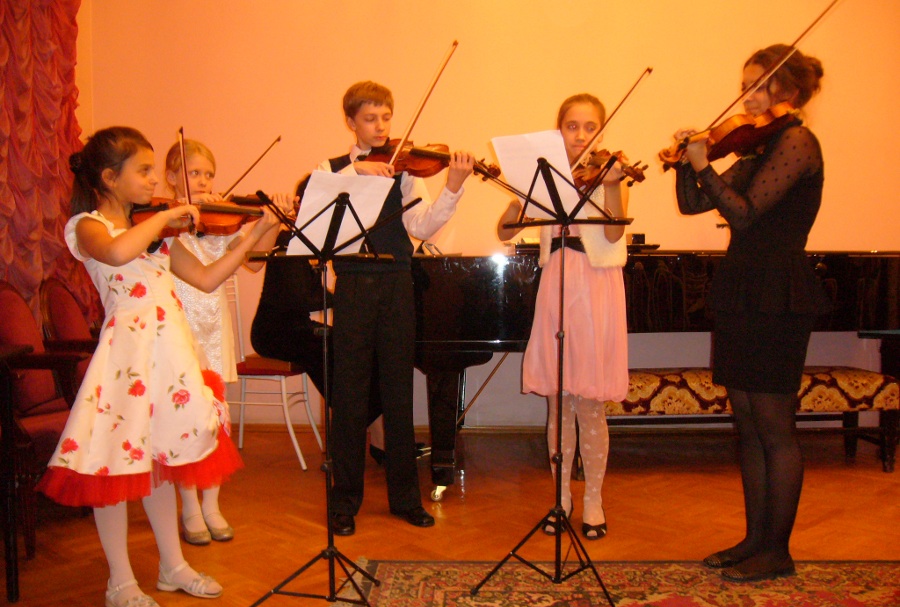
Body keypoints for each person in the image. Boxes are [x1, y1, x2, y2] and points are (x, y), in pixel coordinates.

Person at [37, 126, 280, 607]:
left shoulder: (157, 236)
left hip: (169, 360)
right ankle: (120, 582)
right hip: (126, 361)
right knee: (113, 467)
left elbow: (208, 279)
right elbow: (116, 253)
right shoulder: (88, 227)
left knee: (163, 462)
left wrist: (255, 233)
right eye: (144, 170)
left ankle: (173, 566)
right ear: (109, 178)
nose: (154, 180)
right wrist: (167, 218)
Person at [671, 45, 830, 582]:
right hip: (743, 288)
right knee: (747, 422)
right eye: (745, 87)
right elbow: (694, 204)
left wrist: (703, 164)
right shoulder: (758, 147)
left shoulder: (798, 142)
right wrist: (685, 164)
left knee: (775, 426)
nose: (747, 97)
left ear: (788, 91)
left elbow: (744, 214)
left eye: (758, 86)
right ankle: (754, 540)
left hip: (778, 292)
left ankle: (777, 551)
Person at [322, 80, 475, 536]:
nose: (381, 127)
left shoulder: (405, 171)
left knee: (398, 393)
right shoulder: (332, 170)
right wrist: (355, 174)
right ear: (351, 122)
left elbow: (423, 227)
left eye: (386, 118)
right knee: (349, 397)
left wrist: (452, 186)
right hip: (352, 286)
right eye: (370, 119)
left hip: (396, 285)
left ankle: (405, 499)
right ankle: (344, 502)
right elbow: (320, 214)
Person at [498, 93, 629, 541]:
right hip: (556, 285)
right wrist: (519, 193)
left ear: (601, 131)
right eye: (572, 126)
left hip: (595, 286)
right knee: (558, 401)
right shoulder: (547, 177)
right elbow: (505, 229)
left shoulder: (609, 173)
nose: (581, 135)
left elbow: (614, 232)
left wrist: (613, 185)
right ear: (559, 131)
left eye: (590, 127)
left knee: (589, 403)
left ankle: (593, 499)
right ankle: (561, 498)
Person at [164, 139, 285, 546]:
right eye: (194, 173)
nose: (203, 181)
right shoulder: (164, 225)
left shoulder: (221, 222)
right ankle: (189, 507)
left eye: (209, 174)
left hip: (214, 327)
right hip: (179, 326)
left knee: (217, 418)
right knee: (186, 419)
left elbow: (254, 261)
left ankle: (212, 504)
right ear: (171, 178)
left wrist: (271, 224)